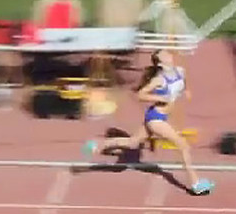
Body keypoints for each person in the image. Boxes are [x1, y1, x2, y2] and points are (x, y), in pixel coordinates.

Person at [82, 49, 214, 195]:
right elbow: (141, 95)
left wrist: (186, 90)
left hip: (163, 117)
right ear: (160, 62)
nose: (169, 55)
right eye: (164, 54)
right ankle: (196, 184)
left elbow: (183, 83)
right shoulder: (159, 79)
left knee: (132, 143)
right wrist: (160, 99)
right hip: (155, 118)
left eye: (168, 53)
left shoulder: (180, 71)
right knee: (182, 145)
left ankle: (97, 144)